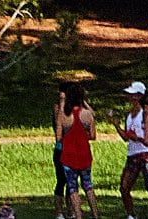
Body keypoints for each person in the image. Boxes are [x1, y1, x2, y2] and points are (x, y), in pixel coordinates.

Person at [54, 85, 97, 214]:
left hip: (68, 155)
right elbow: (93, 135)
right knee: (88, 185)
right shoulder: (87, 114)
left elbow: (58, 137)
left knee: (73, 188)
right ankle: (95, 213)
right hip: (84, 154)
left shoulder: (64, 115)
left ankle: (77, 215)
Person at [115, 84, 148, 210]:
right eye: (130, 95)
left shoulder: (146, 113)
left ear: (140, 96)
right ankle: (131, 214)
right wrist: (116, 125)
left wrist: (138, 138)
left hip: (146, 153)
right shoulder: (129, 115)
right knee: (124, 187)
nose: (131, 98)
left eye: (134, 95)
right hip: (133, 153)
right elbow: (126, 137)